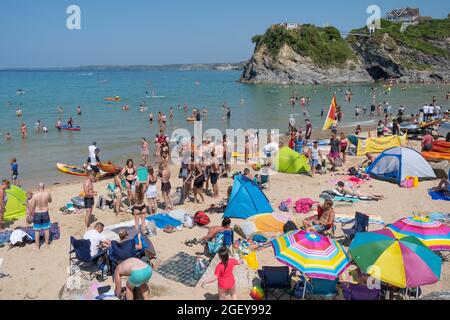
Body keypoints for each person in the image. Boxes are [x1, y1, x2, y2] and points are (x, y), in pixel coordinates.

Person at [28, 183, 52, 250]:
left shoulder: (35, 195)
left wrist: (29, 214)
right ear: (44, 187)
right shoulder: (47, 193)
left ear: (38, 188)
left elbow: (32, 206)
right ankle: (47, 245)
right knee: (46, 229)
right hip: (45, 212)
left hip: (37, 213)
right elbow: (50, 201)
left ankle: (37, 247)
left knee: (37, 230)